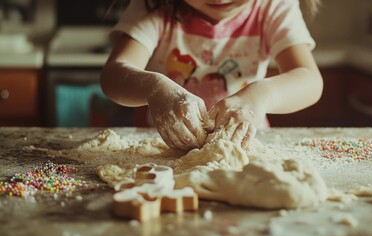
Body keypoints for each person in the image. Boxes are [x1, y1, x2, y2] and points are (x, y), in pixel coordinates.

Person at [100, 0, 323, 151]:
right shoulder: (154, 5)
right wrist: (155, 88)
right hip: (161, 149)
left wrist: (259, 97)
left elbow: (309, 79)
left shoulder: (273, 6)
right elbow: (113, 75)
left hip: (244, 147)